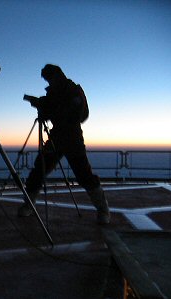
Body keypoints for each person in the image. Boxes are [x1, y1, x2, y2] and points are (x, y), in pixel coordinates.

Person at [18, 64, 110, 224]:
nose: (47, 80)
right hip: (56, 137)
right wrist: (42, 105)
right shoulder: (53, 93)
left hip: (72, 138)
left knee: (84, 175)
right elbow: (51, 112)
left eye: (48, 77)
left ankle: (103, 210)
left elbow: (78, 115)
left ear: (56, 75)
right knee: (39, 170)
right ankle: (28, 205)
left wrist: (48, 107)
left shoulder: (72, 90)